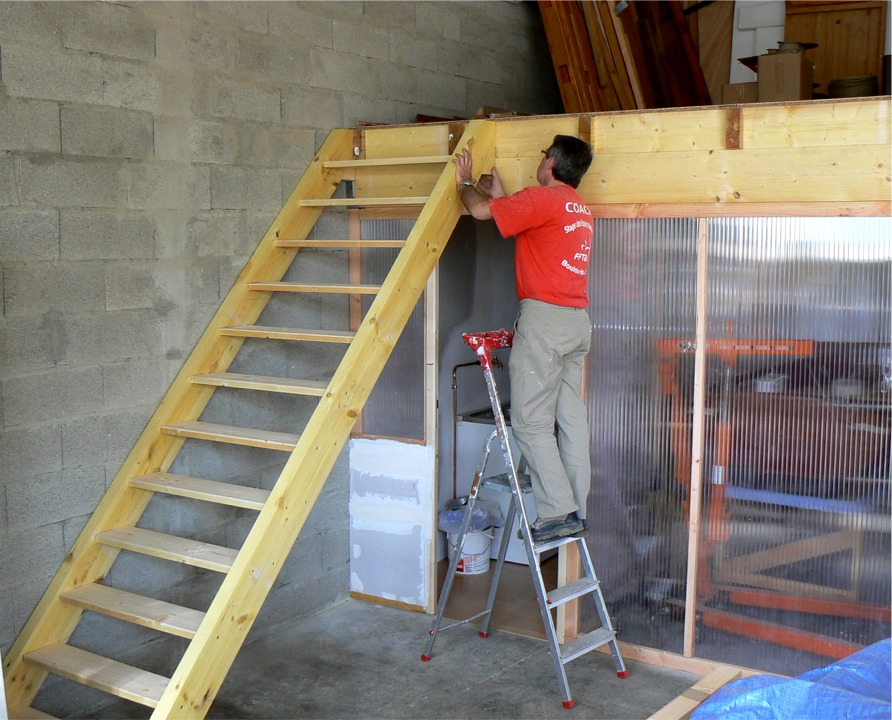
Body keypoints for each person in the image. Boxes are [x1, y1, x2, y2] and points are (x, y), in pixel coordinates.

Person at [454, 134, 595, 544]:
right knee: (570, 421)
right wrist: (502, 197)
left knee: (531, 423)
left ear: (550, 163)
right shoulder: (578, 208)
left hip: (545, 323)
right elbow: (530, 227)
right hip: (576, 322)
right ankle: (577, 510)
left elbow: (479, 211)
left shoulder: (541, 199)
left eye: (543, 155)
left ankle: (557, 513)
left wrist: (465, 184)